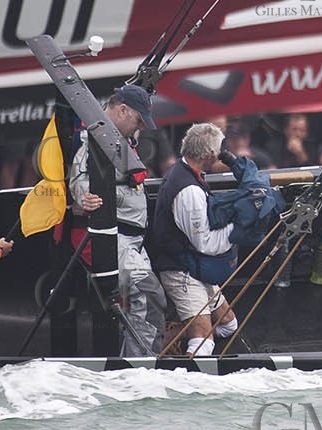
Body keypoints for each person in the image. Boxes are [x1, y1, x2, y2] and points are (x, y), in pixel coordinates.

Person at [69, 85, 167, 355]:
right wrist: (86, 196)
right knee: (148, 294)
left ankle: (135, 363)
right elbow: (80, 179)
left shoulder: (121, 138)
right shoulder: (94, 140)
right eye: (139, 120)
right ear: (122, 110)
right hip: (114, 238)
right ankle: (142, 367)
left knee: (142, 303)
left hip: (133, 240)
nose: (142, 127)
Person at [147, 122, 237, 357]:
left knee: (229, 325)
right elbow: (203, 242)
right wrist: (236, 231)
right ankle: (170, 360)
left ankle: (174, 337)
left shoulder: (186, 175)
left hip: (196, 266)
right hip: (181, 270)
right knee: (203, 341)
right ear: (209, 155)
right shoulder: (189, 190)